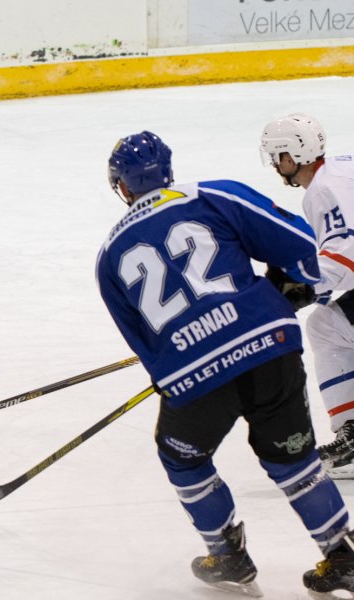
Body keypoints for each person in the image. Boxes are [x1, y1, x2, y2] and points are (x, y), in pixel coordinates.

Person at [95, 131, 354, 597]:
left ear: (123, 187)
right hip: (268, 344)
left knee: (181, 456)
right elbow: (300, 244)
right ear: (167, 171)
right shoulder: (211, 195)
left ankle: (228, 555)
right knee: (293, 460)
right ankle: (342, 554)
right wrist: (297, 285)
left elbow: (141, 340)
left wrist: (171, 374)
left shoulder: (109, 254)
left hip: (194, 374)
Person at [261, 113, 354, 481]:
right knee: (333, 322)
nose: (274, 164)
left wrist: (296, 292)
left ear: (290, 157)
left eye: (276, 156)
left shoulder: (323, 190)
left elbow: (345, 255)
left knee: (327, 326)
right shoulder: (340, 168)